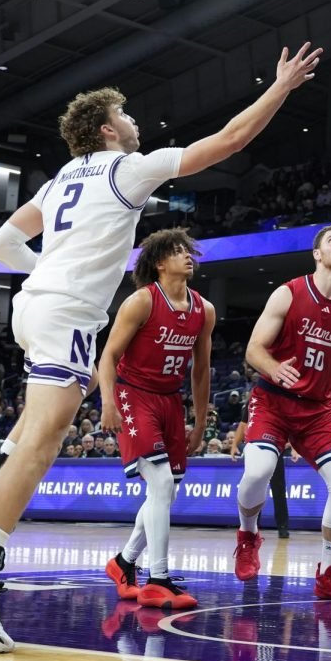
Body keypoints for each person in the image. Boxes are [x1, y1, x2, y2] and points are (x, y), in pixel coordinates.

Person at [0, 42, 323, 652]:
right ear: (106, 129)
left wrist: (50, 270)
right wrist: (281, 88)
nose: (137, 123)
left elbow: (0, 245)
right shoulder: (125, 169)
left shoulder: (63, 175)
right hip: (64, 310)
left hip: (37, 307)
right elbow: (226, 141)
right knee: (41, 448)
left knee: (45, 420)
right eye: (129, 115)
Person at [234, 224, 331, 602]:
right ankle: (248, 535)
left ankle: (329, 574)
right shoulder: (288, 293)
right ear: (317, 255)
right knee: (257, 471)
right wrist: (272, 368)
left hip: (317, 408)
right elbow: (254, 349)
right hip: (273, 399)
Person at [98, 229, 215, 610]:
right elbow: (109, 356)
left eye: (188, 250)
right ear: (160, 263)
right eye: (178, 252)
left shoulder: (204, 310)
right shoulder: (140, 302)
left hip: (170, 400)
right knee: (161, 483)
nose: (187, 256)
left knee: (165, 491)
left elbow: (201, 371)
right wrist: (107, 403)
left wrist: (199, 422)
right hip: (133, 394)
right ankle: (158, 579)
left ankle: (123, 563)